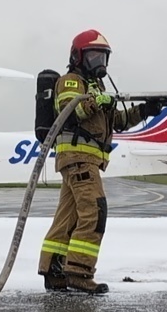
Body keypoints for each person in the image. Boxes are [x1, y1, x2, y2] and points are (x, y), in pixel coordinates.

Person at [38, 29, 159, 294]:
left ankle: (54, 271)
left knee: (67, 217)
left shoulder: (97, 87)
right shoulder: (71, 81)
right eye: (93, 56)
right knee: (95, 210)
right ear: (78, 56)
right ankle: (79, 272)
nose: (99, 63)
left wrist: (146, 110)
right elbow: (72, 110)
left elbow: (117, 121)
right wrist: (93, 101)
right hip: (79, 157)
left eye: (102, 57)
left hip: (84, 159)